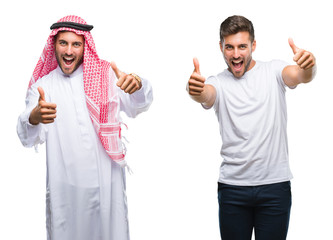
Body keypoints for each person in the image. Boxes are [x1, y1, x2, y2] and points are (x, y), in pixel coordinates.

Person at [17, 15, 153, 240]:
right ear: (54, 45)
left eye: (76, 44)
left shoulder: (105, 76)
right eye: (63, 43)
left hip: (106, 188)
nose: (69, 51)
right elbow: (26, 136)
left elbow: (140, 103)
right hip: (66, 194)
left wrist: (137, 85)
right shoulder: (44, 86)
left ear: (84, 46)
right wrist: (34, 116)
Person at [187, 15, 316, 240]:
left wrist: (309, 66)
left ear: (253, 45)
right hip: (232, 189)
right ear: (221, 47)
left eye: (242, 46)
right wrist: (195, 91)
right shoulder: (217, 82)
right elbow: (205, 94)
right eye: (229, 47)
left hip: (274, 187)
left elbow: (301, 75)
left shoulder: (274, 71)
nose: (236, 54)